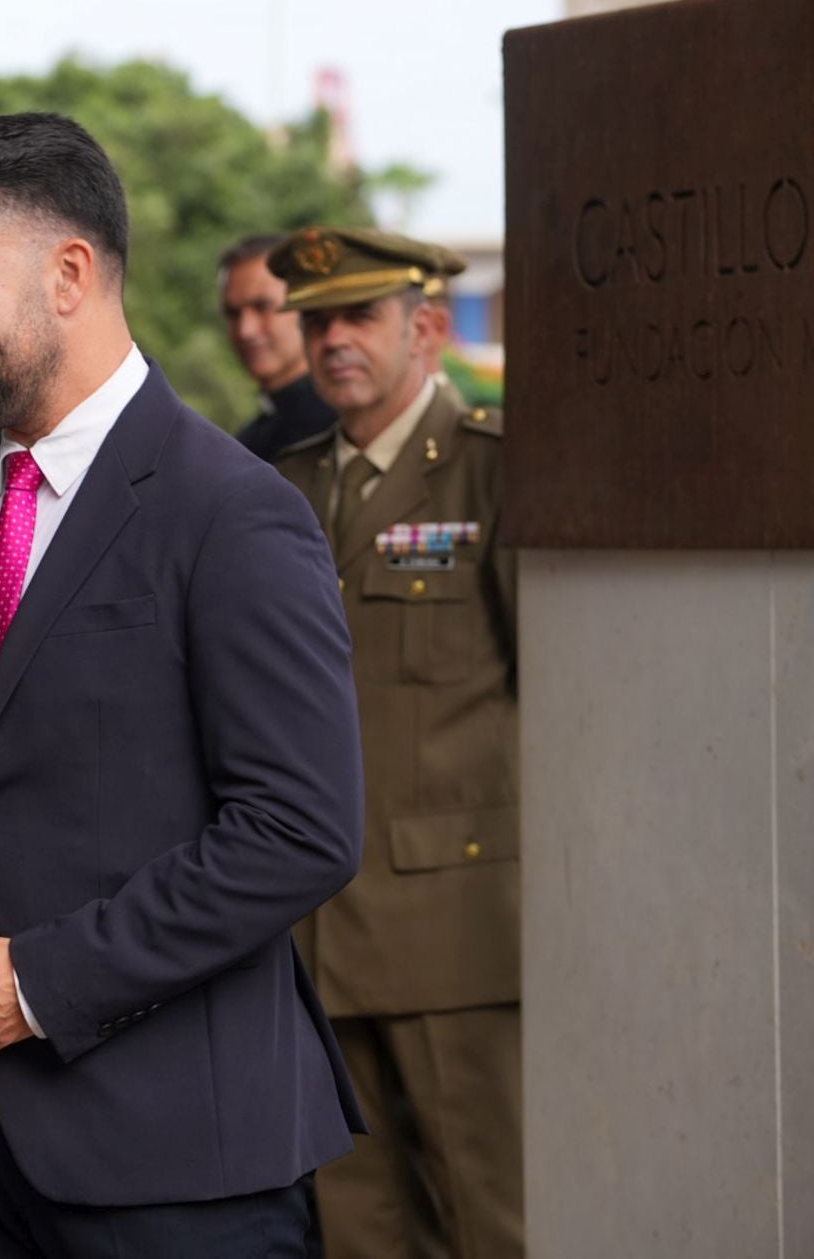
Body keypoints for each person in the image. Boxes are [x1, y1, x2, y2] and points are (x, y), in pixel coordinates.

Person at [0, 111, 366, 1258]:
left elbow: (301, 829)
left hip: (183, 1172)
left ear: (70, 274)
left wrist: (38, 980)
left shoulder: (233, 510)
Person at [268, 226, 520, 1259]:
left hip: (452, 926)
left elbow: (549, 693)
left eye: (359, 317)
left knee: (490, 1216)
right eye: (318, 321)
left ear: (426, 328)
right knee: (353, 1227)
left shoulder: (491, 469)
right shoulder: (283, 483)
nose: (334, 340)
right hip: (311, 925)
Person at [219, 232, 337, 460]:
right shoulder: (244, 445)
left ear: (306, 308)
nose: (245, 330)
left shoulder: (348, 426)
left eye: (262, 306)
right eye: (233, 314)